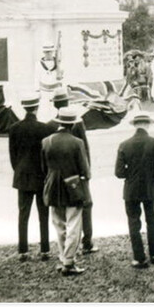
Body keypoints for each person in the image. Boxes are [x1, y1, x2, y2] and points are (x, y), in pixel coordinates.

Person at [114, 111, 154, 269]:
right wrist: (153, 176)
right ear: (148, 125)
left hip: (131, 189)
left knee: (133, 222)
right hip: (151, 188)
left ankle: (139, 258)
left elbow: (119, 172)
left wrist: (131, 175)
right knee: (152, 220)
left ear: (135, 126)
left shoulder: (124, 145)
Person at [41, 107, 91, 276]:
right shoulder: (77, 142)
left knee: (59, 224)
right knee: (74, 224)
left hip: (52, 186)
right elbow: (85, 170)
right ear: (72, 124)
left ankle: (64, 258)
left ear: (59, 122)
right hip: (72, 186)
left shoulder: (46, 141)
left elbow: (43, 168)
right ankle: (69, 261)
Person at [48, 91, 97, 254]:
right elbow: (85, 149)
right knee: (85, 205)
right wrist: (87, 173)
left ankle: (65, 248)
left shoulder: (50, 125)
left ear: (54, 105)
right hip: (77, 174)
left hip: (57, 175)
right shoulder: (77, 122)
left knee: (61, 211)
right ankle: (87, 242)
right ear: (67, 102)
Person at [8, 93, 54, 261]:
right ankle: (45, 250)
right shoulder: (45, 128)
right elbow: (47, 155)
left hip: (22, 176)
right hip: (41, 176)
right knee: (43, 214)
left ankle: (23, 251)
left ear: (24, 108)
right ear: (36, 108)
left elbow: (13, 156)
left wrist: (20, 170)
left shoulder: (14, 128)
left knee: (23, 214)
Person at [35, 42, 63, 122]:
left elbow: (62, 77)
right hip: (44, 91)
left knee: (55, 110)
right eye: (46, 52)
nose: (48, 53)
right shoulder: (38, 64)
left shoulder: (58, 63)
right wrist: (37, 91)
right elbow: (36, 78)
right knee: (44, 110)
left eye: (50, 51)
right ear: (43, 52)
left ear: (53, 52)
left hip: (55, 90)